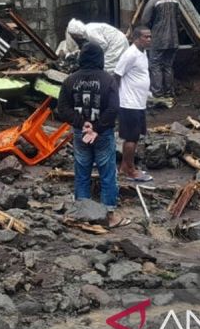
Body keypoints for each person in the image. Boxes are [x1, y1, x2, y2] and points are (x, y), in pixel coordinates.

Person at [57, 42, 130, 228]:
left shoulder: (69, 80)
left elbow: (62, 109)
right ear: (100, 58)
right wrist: (96, 127)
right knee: (107, 173)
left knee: (82, 172)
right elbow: (113, 108)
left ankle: (82, 213)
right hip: (103, 134)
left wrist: (83, 124)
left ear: (81, 58)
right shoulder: (108, 80)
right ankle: (109, 216)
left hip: (81, 133)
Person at [114, 25, 153, 182]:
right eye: (146, 37)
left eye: (150, 36)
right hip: (129, 103)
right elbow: (117, 75)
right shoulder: (130, 54)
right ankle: (130, 170)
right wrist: (115, 99)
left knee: (134, 138)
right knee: (131, 138)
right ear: (137, 38)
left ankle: (124, 167)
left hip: (139, 102)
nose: (149, 39)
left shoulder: (142, 53)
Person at [140, 0, 180, 107]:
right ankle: (169, 92)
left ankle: (158, 94)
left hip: (159, 40)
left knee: (155, 65)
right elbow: (179, 20)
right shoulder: (174, 1)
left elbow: (145, 20)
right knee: (168, 66)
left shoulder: (153, 2)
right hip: (174, 40)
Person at [62, 19, 129, 74]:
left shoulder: (89, 33)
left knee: (107, 67)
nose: (73, 37)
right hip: (117, 40)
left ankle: (110, 83)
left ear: (76, 33)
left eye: (73, 35)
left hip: (116, 43)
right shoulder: (87, 29)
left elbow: (103, 45)